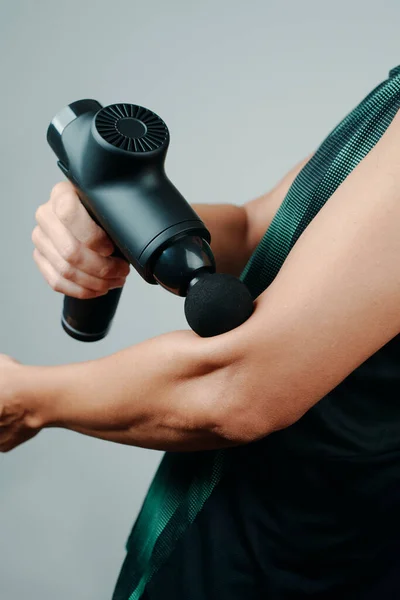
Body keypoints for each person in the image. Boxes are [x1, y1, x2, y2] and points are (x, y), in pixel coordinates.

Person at [1, 66, 400, 599]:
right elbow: (266, 228)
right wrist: (119, 219)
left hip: (305, 561)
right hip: (219, 533)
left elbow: (239, 388)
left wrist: (28, 399)